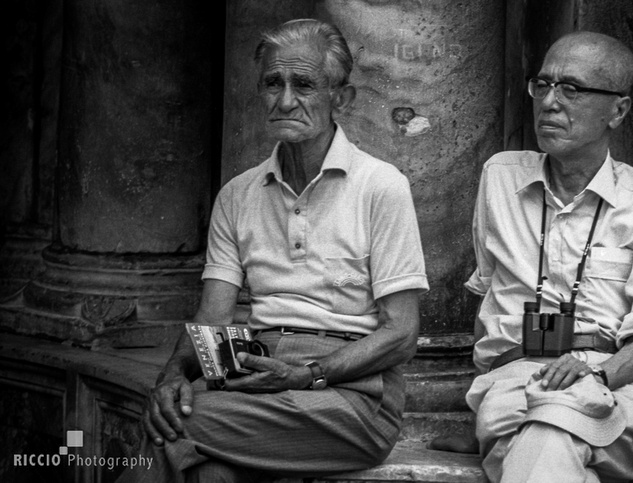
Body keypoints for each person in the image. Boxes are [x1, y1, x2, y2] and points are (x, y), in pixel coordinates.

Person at [118, 19, 428, 482]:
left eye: (303, 84)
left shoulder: (380, 187)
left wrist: (309, 373)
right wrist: (169, 380)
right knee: (209, 472)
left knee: (176, 427)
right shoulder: (238, 194)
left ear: (341, 98)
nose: (285, 100)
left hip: (351, 394)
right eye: (272, 83)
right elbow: (213, 319)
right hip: (256, 374)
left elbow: (402, 334)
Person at [433, 31, 633, 482]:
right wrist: (493, 374)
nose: (550, 102)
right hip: (514, 381)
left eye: (571, 89)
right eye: (543, 85)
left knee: (548, 429)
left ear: (619, 110)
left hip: (618, 383)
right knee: (548, 437)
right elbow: (488, 291)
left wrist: (599, 377)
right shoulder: (500, 178)